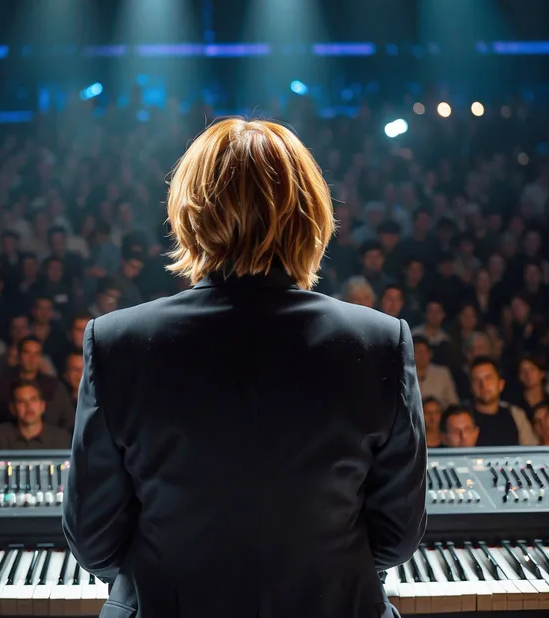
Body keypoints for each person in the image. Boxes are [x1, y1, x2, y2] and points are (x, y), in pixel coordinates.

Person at [62, 118, 426, 618]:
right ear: (310, 215)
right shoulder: (382, 340)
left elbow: (94, 540)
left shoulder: (117, 342)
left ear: (190, 214)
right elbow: (396, 538)